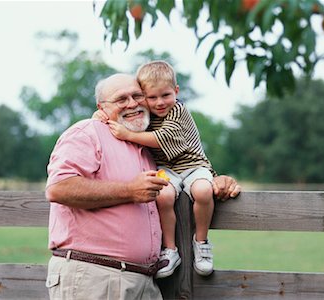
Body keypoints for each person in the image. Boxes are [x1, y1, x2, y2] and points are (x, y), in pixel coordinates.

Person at [45, 73, 241, 300]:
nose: (132, 103)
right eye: (121, 99)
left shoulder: (146, 145)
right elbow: (59, 188)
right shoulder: (87, 132)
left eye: (138, 96)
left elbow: (187, 166)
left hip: (144, 281)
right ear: (101, 107)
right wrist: (129, 190)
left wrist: (215, 180)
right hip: (95, 276)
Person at [94, 61, 235, 278]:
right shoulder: (146, 114)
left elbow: (161, 138)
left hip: (194, 166)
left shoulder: (178, 111)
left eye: (165, 95)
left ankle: (202, 242)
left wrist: (127, 135)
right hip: (166, 168)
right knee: (163, 195)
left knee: (203, 192)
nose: (159, 102)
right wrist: (101, 116)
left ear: (176, 92)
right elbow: (126, 119)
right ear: (144, 97)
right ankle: (170, 249)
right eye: (152, 97)